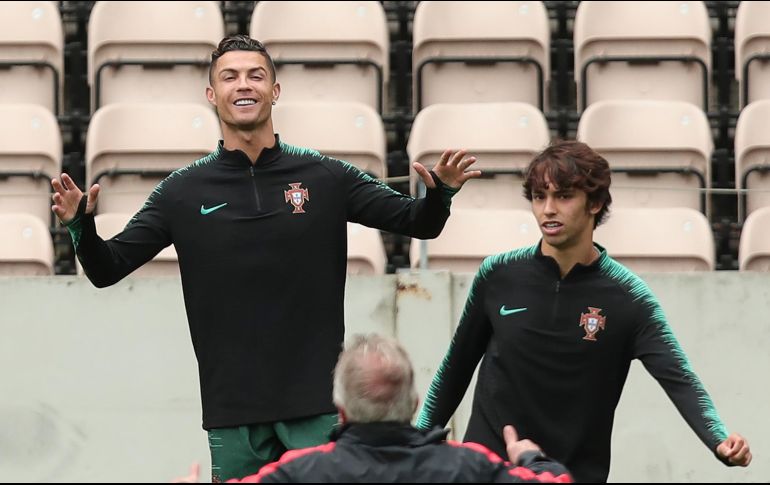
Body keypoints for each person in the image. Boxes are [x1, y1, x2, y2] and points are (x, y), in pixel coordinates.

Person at [51, 35, 480, 482]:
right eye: (230, 76)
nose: (244, 85)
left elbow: (418, 223)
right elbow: (106, 268)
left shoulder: (326, 175)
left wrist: (440, 194)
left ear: (275, 90)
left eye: (256, 76)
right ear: (211, 94)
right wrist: (81, 227)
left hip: (316, 403)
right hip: (232, 408)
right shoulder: (181, 191)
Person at [415, 140, 752, 482]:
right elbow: (454, 371)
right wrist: (414, 444)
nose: (548, 209)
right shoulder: (497, 274)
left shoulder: (629, 298)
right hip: (487, 471)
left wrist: (719, 441)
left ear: (596, 203)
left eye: (563, 196)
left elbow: (680, 379)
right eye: (539, 196)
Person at [175, 334, 573, 483]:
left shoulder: (300, 472)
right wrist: (532, 458)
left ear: (341, 411)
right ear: (414, 405)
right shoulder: (469, 468)